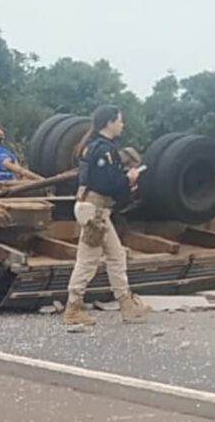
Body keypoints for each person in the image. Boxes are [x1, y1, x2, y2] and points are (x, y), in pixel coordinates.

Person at [63, 105, 150, 325]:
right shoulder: (105, 150)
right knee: (88, 260)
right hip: (96, 212)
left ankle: (126, 305)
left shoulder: (92, 147)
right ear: (109, 123)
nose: (122, 124)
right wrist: (128, 179)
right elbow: (107, 184)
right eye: (120, 120)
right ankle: (73, 309)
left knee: (116, 255)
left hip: (94, 210)